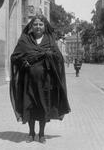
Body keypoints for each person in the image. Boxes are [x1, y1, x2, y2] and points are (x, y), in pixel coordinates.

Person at [10, 14, 71, 144]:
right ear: (31, 26)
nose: (38, 27)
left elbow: (59, 58)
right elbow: (15, 57)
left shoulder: (49, 40)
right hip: (29, 82)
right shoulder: (25, 40)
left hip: (45, 82)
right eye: (35, 24)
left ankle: (41, 134)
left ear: (44, 26)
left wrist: (50, 56)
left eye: (41, 24)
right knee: (30, 106)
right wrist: (23, 61)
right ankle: (31, 134)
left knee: (44, 106)